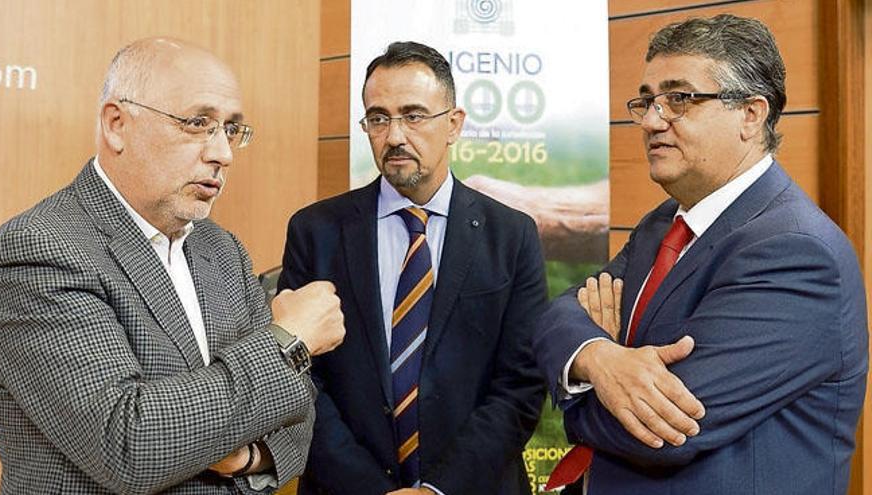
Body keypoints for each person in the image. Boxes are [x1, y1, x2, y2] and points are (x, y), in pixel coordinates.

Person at [0, 38, 345, 493]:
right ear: (117, 124)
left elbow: (298, 412)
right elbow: (130, 443)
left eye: (231, 129)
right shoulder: (39, 248)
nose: (223, 153)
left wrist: (247, 458)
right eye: (198, 123)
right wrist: (286, 340)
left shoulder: (223, 250)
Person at [534, 14, 868, 495]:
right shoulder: (661, 224)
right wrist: (600, 357)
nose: (651, 120)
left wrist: (578, 391)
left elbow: (664, 433)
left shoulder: (796, 252)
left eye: (679, 99)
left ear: (751, 115)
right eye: (647, 100)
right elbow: (559, 316)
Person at [278, 41, 547, 495]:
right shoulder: (315, 231)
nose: (395, 135)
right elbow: (299, 378)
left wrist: (438, 490)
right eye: (378, 118)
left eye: (414, 115)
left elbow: (520, 385)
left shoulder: (512, 235)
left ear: (454, 125)